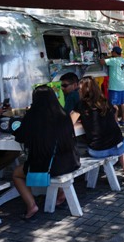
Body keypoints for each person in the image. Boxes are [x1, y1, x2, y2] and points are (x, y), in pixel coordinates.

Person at [13, 85, 80, 219]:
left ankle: (31, 205)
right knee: (53, 162)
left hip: (49, 167)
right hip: (71, 161)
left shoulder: (32, 117)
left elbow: (20, 137)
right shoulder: (64, 114)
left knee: (16, 174)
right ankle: (60, 193)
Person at [70, 76, 124, 183]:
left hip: (98, 151)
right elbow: (115, 110)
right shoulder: (105, 101)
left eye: (79, 90)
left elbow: (69, 122)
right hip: (117, 147)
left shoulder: (81, 105)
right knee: (123, 146)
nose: (78, 92)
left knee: (82, 145)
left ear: (83, 91)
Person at [100, 46, 124, 126]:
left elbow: (101, 62)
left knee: (113, 104)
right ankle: (123, 120)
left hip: (114, 86)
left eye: (112, 52)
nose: (111, 53)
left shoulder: (113, 60)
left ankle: (115, 121)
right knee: (122, 103)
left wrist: (106, 57)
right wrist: (110, 56)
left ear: (114, 53)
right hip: (122, 85)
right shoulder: (123, 60)